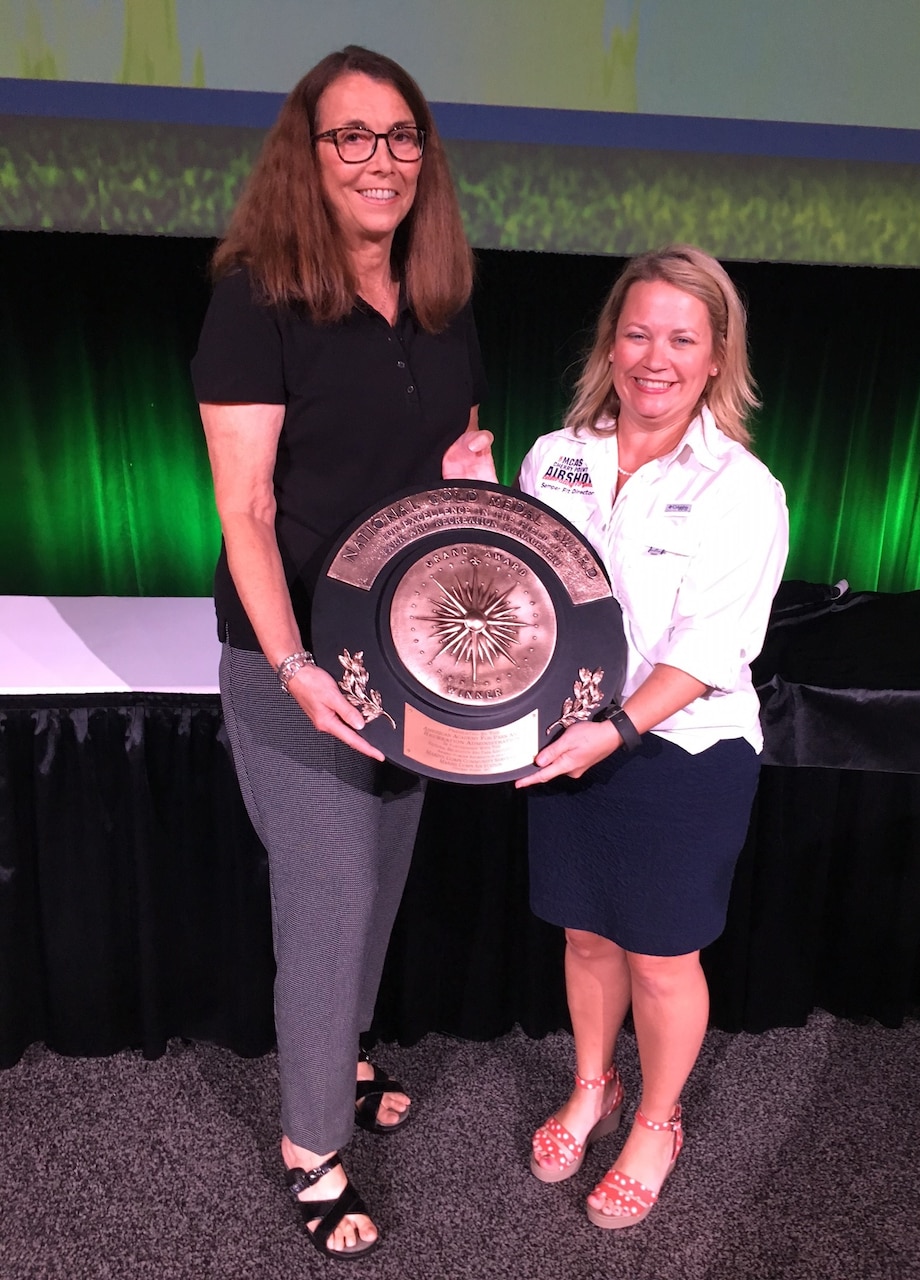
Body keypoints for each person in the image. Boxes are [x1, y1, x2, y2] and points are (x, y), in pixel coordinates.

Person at [191, 46, 495, 1260]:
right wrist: (293, 665)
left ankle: (349, 1049)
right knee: (330, 899)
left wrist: (468, 475)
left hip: (408, 656)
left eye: (401, 134)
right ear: (307, 158)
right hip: (293, 663)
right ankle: (311, 1145)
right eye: (351, 136)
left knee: (381, 880)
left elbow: (447, 450)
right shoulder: (255, 296)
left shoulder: (442, 294)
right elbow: (248, 510)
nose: (381, 159)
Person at [515, 245, 788, 1229]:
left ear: (717, 357)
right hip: (569, 737)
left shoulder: (739, 487)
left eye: (682, 337)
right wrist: (467, 493)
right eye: (637, 332)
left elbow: (714, 646)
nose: (654, 356)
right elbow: (522, 590)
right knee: (586, 931)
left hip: (685, 749)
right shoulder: (554, 456)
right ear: (611, 342)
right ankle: (595, 1084)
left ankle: (659, 1120)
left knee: (660, 954)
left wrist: (617, 728)